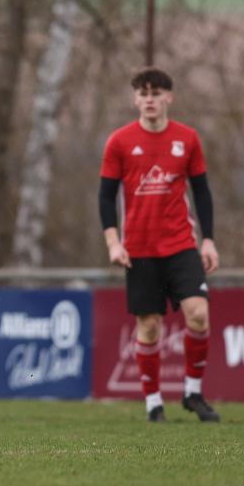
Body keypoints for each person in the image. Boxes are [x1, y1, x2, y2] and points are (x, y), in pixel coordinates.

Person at [98, 67, 220, 423]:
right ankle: (153, 401)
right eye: (143, 93)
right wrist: (113, 243)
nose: (149, 99)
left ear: (170, 97)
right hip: (139, 248)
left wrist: (208, 240)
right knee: (149, 326)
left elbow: (202, 192)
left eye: (156, 93)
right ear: (135, 99)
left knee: (198, 313)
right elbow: (105, 197)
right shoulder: (119, 142)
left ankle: (193, 392)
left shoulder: (188, 139)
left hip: (181, 244)